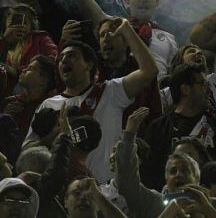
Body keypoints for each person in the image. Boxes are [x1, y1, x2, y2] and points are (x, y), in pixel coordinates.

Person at [23, 19, 156, 182]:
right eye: (62, 58)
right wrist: (55, 136)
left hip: (104, 191)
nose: (64, 60)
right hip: (65, 193)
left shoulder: (110, 92)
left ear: (89, 64)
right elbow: (27, 151)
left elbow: (149, 71)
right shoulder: (48, 104)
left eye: (71, 56)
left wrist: (127, 30)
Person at [116, 107, 216, 218]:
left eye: (185, 170)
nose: (178, 175)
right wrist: (129, 136)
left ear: (198, 178)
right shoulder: (152, 202)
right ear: (165, 178)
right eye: (173, 171)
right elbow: (126, 183)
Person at [141, 62, 216, 190]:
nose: (208, 89)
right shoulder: (159, 128)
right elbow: (149, 173)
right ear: (185, 89)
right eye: (202, 84)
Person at [0, 4, 57, 95]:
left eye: (24, 23)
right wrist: (4, 40)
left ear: (31, 26)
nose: (19, 26)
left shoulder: (40, 39)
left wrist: (17, 71)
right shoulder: (5, 45)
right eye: (14, 22)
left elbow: (52, 60)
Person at [0, 54, 54, 134]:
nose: (23, 70)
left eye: (30, 68)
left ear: (43, 80)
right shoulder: (9, 102)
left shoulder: (47, 110)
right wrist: (4, 116)